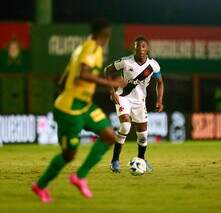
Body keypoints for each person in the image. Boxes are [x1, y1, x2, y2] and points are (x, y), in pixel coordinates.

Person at [31, 18, 125, 203]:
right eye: (108, 36)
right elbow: (84, 74)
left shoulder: (82, 48)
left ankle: (79, 176)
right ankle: (40, 186)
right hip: (70, 110)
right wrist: (110, 83)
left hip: (83, 105)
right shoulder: (92, 48)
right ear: (105, 35)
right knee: (68, 155)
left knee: (108, 136)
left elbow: (65, 77)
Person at [105, 36, 164, 173]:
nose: (140, 49)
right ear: (134, 48)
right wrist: (112, 92)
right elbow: (107, 70)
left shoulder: (153, 65)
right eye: (138, 46)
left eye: (143, 46)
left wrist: (159, 100)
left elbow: (160, 82)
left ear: (147, 49)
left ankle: (141, 160)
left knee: (143, 135)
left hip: (139, 101)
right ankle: (114, 161)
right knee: (125, 126)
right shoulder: (126, 62)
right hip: (123, 97)